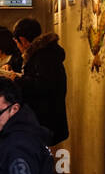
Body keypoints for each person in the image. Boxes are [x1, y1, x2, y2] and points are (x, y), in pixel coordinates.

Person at [12, 16, 69, 146]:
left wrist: (16, 79)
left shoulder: (43, 56)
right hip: (48, 120)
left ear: (23, 40)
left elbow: (41, 86)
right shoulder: (46, 53)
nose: (17, 47)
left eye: (16, 43)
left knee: (39, 158)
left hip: (44, 121)